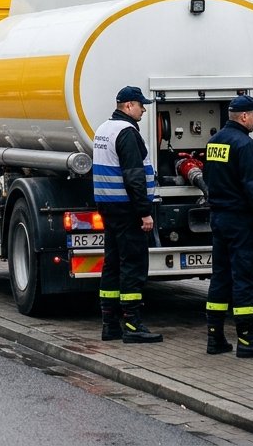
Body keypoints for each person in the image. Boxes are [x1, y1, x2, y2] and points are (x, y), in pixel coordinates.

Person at [203, 95, 253, 358]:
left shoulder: (214, 142)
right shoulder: (245, 145)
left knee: (220, 277)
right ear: (244, 116)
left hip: (218, 218)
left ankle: (215, 338)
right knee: (245, 277)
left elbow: (208, 177)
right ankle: (247, 339)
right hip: (240, 220)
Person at [92, 85, 161, 344]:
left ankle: (110, 324)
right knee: (133, 265)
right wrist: (144, 212)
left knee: (111, 264)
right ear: (129, 105)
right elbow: (134, 175)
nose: (144, 110)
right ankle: (132, 324)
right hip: (128, 209)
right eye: (141, 105)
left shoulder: (104, 129)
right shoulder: (127, 132)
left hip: (109, 207)